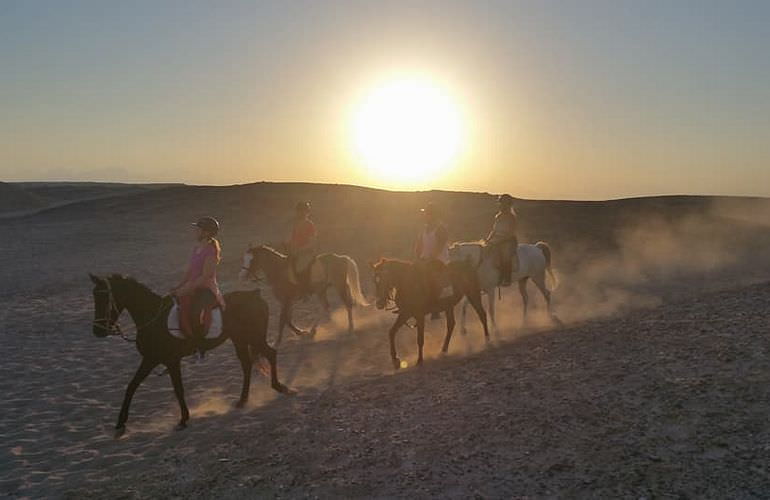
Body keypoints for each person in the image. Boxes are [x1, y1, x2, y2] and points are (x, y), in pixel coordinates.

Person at [171, 216, 225, 358]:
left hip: (206, 289)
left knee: (194, 312)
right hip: (192, 286)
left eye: (198, 229)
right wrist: (178, 286)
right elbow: (189, 271)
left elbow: (205, 277)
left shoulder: (211, 252)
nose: (195, 232)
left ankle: (198, 345)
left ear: (206, 233)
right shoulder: (196, 249)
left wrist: (186, 289)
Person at [414, 202, 450, 314]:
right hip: (425, 260)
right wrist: (417, 257)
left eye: (427, 213)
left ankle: (435, 307)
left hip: (439, 260)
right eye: (425, 214)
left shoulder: (441, 229)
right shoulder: (424, 229)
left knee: (430, 278)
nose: (425, 216)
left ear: (433, 215)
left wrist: (430, 259)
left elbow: (439, 247)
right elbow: (419, 245)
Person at [485, 194, 519, 287]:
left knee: (505, 256)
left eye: (503, 204)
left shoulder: (511, 217)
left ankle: (507, 278)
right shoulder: (498, 216)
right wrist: (488, 239)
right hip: (497, 239)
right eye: (500, 203)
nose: (501, 205)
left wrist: (499, 240)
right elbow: (494, 230)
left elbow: (511, 233)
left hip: (509, 241)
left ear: (507, 205)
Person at [286, 201, 317, 292]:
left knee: (299, 267)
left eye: (303, 211)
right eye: (299, 211)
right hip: (296, 251)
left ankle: (305, 289)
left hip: (307, 252)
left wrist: (300, 250)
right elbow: (294, 239)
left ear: (307, 212)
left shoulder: (310, 225)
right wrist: (287, 245)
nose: (301, 213)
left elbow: (312, 243)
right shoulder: (296, 224)